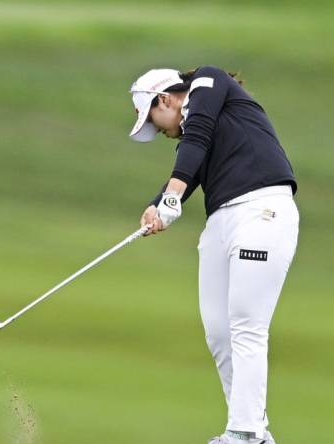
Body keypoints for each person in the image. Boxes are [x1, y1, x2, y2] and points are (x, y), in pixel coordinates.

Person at [128, 66, 299, 444]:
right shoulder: (195, 138)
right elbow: (193, 159)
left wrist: (171, 195)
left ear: (165, 99)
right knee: (220, 332)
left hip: (262, 211)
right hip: (221, 222)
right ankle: (253, 430)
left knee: (247, 326)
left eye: (155, 122)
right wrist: (158, 206)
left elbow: (197, 134)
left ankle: (245, 432)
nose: (160, 132)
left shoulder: (208, 81)